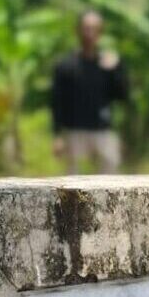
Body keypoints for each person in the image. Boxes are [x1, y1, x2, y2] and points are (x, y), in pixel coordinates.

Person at [51, 10, 130, 174]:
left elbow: (122, 96)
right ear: (78, 30)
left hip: (103, 131)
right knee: (73, 185)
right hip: (75, 132)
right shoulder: (65, 65)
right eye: (86, 28)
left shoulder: (109, 63)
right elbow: (57, 101)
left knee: (111, 181)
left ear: (100, 32)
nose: (90, 33)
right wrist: (57, 135)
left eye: (94, 28)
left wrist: (115, 70)